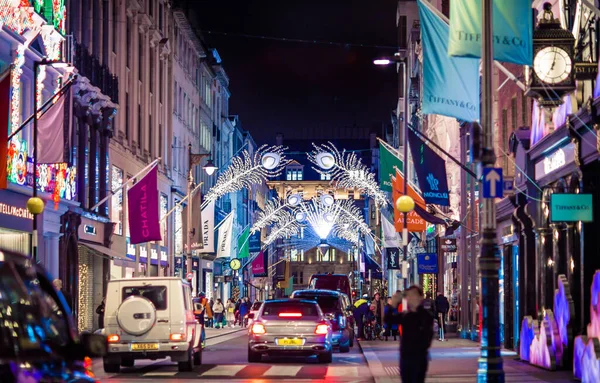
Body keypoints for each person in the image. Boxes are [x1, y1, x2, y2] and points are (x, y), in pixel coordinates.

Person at [390, 286, 434, 383]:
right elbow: (388, 320)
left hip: (419, 357)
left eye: (414, 295)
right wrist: (393, 304)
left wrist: (421, 348)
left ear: (420, 297)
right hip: (405, 357)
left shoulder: (426, 315)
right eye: (409, 296)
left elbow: (428, 336)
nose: (411, 298)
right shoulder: (406, 315)